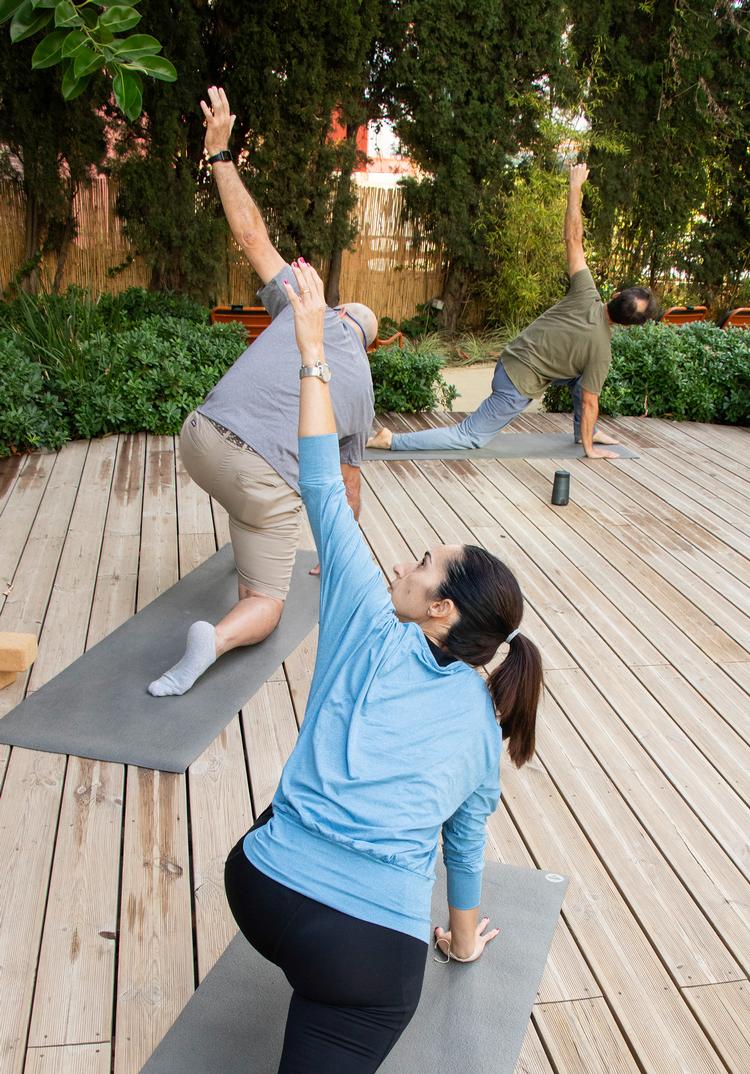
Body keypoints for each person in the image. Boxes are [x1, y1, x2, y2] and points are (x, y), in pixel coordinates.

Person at [224, 258, 544, 1073]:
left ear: (441, 610)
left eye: (426, 562)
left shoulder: (365, 606)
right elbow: (463, 850)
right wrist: (462, 946)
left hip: (259, 891)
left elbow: (320, 478)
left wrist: (310, 347)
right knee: (345, 988)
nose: (406, 560)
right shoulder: (483, 729)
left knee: (291, 829)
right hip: (366, 958)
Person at [148, 87, 377, 697]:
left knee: (248, 499)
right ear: (367, 341)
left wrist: (220, 154)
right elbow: (345, 484)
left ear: (340, 311)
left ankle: (247, 556)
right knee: (269, 603)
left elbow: (252, 237)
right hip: (259, 476)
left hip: (198, 439)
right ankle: (215, 640)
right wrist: (334, 557)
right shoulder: (360, 381)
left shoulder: (302, 308)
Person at [367, 162, 658, 460]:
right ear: (629, 325)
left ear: (616, 295)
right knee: (468, 437)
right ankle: (392, 440)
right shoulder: (601, 351)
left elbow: (573, 238)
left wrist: (575, 188)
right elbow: (590, 401)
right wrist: (589, 451)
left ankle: (585, 430)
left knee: (581, 379)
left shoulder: (586, 293)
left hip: (514, 357)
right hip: (517, 381)